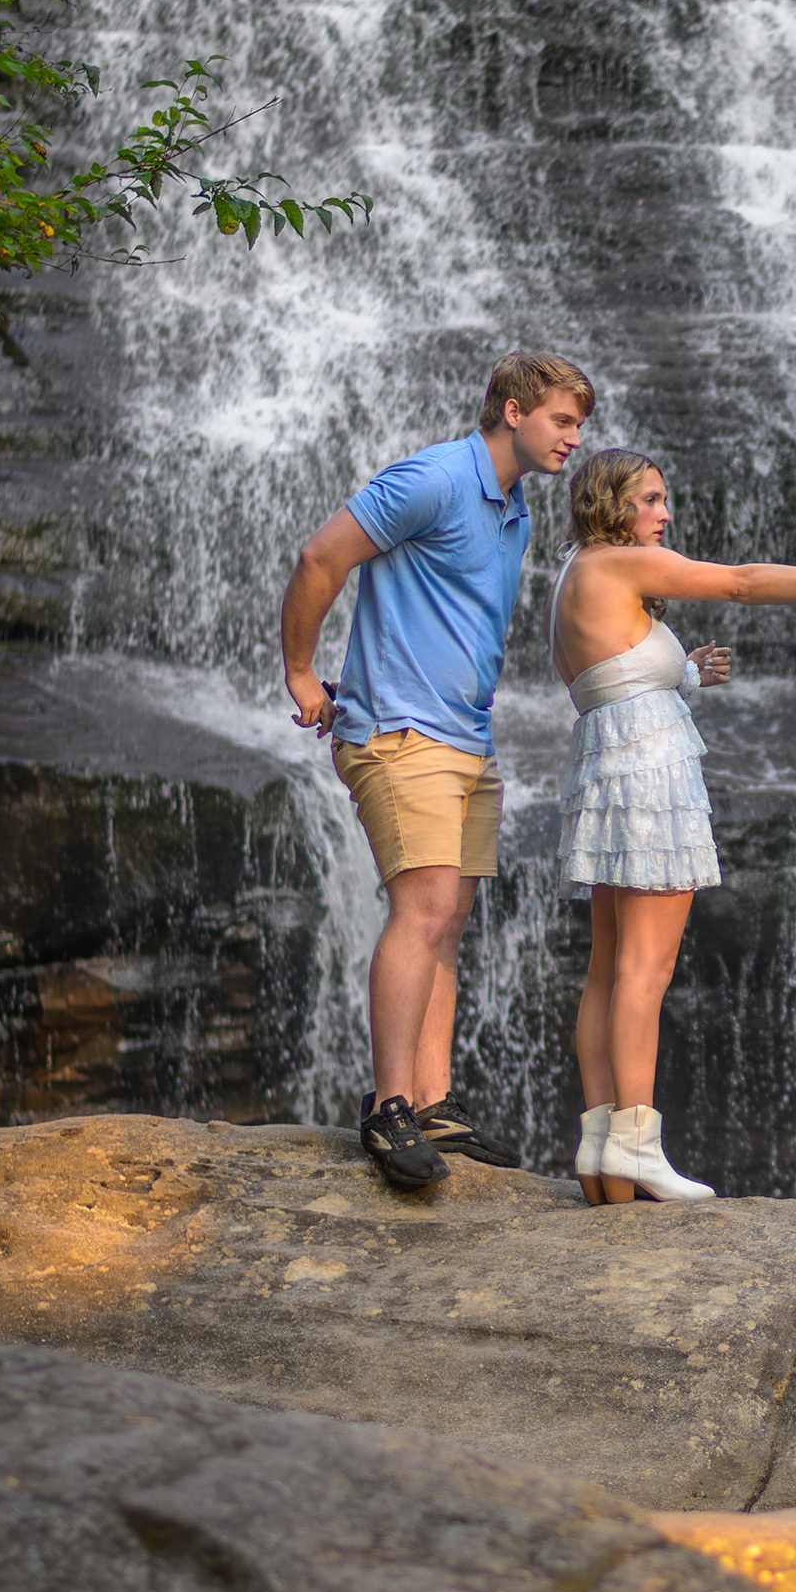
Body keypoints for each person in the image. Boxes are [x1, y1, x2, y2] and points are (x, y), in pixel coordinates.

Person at [551, 446, 796, 1206]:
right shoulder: (622, 562)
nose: (665, 513)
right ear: (610, 504)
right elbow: (743, 582)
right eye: (650, 500)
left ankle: (600, 1147)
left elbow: (612, 679)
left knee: (608, 968)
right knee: (645, 971)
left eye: (664, 499)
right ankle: (638, 1144)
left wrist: (685, 672)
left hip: (610, 769)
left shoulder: (576, 571)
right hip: (651, 778)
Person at [281, 349, 593, 1192]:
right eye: (562, 420)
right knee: (421, 909)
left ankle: (432, 1100)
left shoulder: (514, 510)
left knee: (448, 918)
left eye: (579, 425)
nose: (574, 439)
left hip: (466, 740)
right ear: (513, 410)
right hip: (400, 731)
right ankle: (388, 1109)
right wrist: (302, 674)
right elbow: (320, 558)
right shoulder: (434, 479)